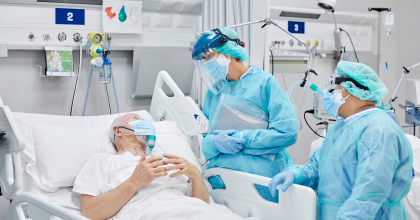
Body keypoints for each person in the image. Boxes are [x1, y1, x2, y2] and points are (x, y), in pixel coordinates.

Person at [269, 61, 413, 219]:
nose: (327, 93)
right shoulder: (340, 127)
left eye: (332, 86)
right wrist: (297, 174)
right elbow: (321, 166)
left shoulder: (378, 129)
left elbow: (371, 189)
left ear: (347, 89)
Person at [73, 113, 257, 220]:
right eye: (136, 118)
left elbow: (199, 204)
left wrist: (195, 176)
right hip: (152, 213)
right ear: (118, 131)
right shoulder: (103, 161)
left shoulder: (167, 160)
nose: (145, 123)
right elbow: (90, 211)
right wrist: (135, 182)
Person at [192, 27, 298, 202]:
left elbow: (287, 133)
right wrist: (213, 142)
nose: (207, 62)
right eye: (204, 58)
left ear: (229, 52)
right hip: (222, 184)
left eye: (209, 56)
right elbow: (205, 142)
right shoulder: (214, 93)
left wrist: (242, 139)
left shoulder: (265, 83)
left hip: (261, 182)